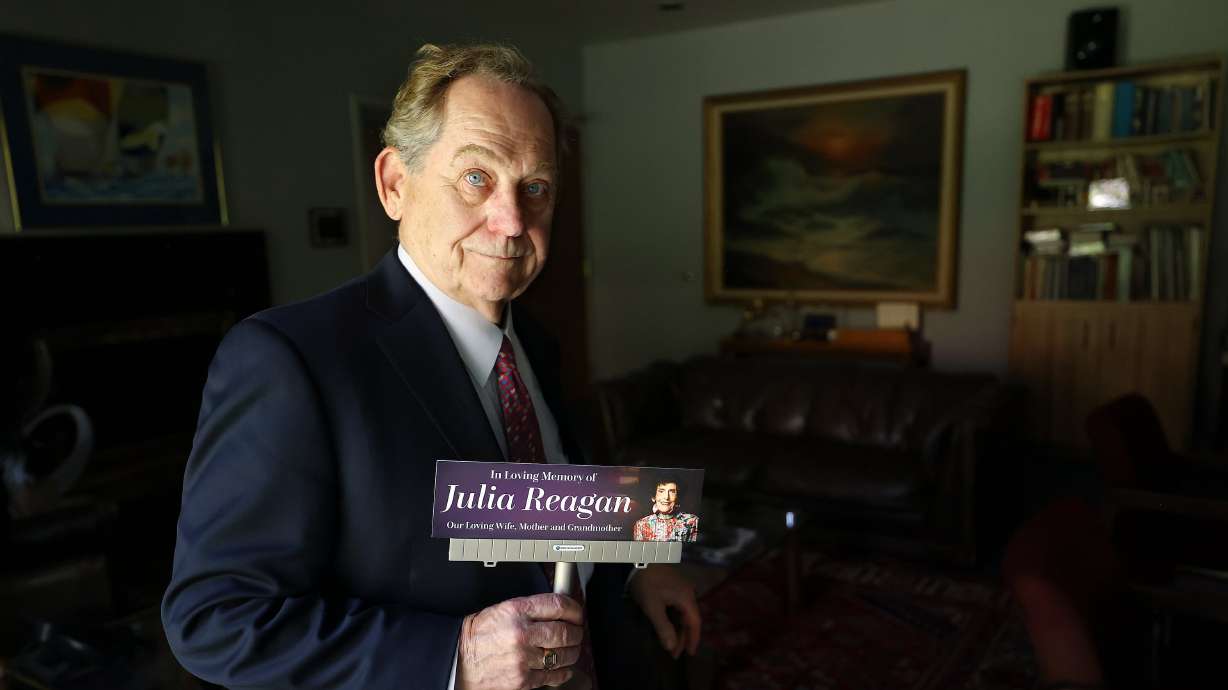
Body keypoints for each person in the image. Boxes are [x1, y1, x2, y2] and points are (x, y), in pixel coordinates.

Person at [161, 43, 701, 690]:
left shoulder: (536, 342)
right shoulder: (290, 359)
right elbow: (215, 618)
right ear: (394, 183)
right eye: (477, 177)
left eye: (536, 188)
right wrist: (455, 657)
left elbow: (550, 508)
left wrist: (637, 566)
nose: (511, 222)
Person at [632, 481, 699, 543]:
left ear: (677, 497)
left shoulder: (692, 521)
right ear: (653, 497)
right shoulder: (641, 524)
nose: (666, 497)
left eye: (672, 492)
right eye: (661, 491)